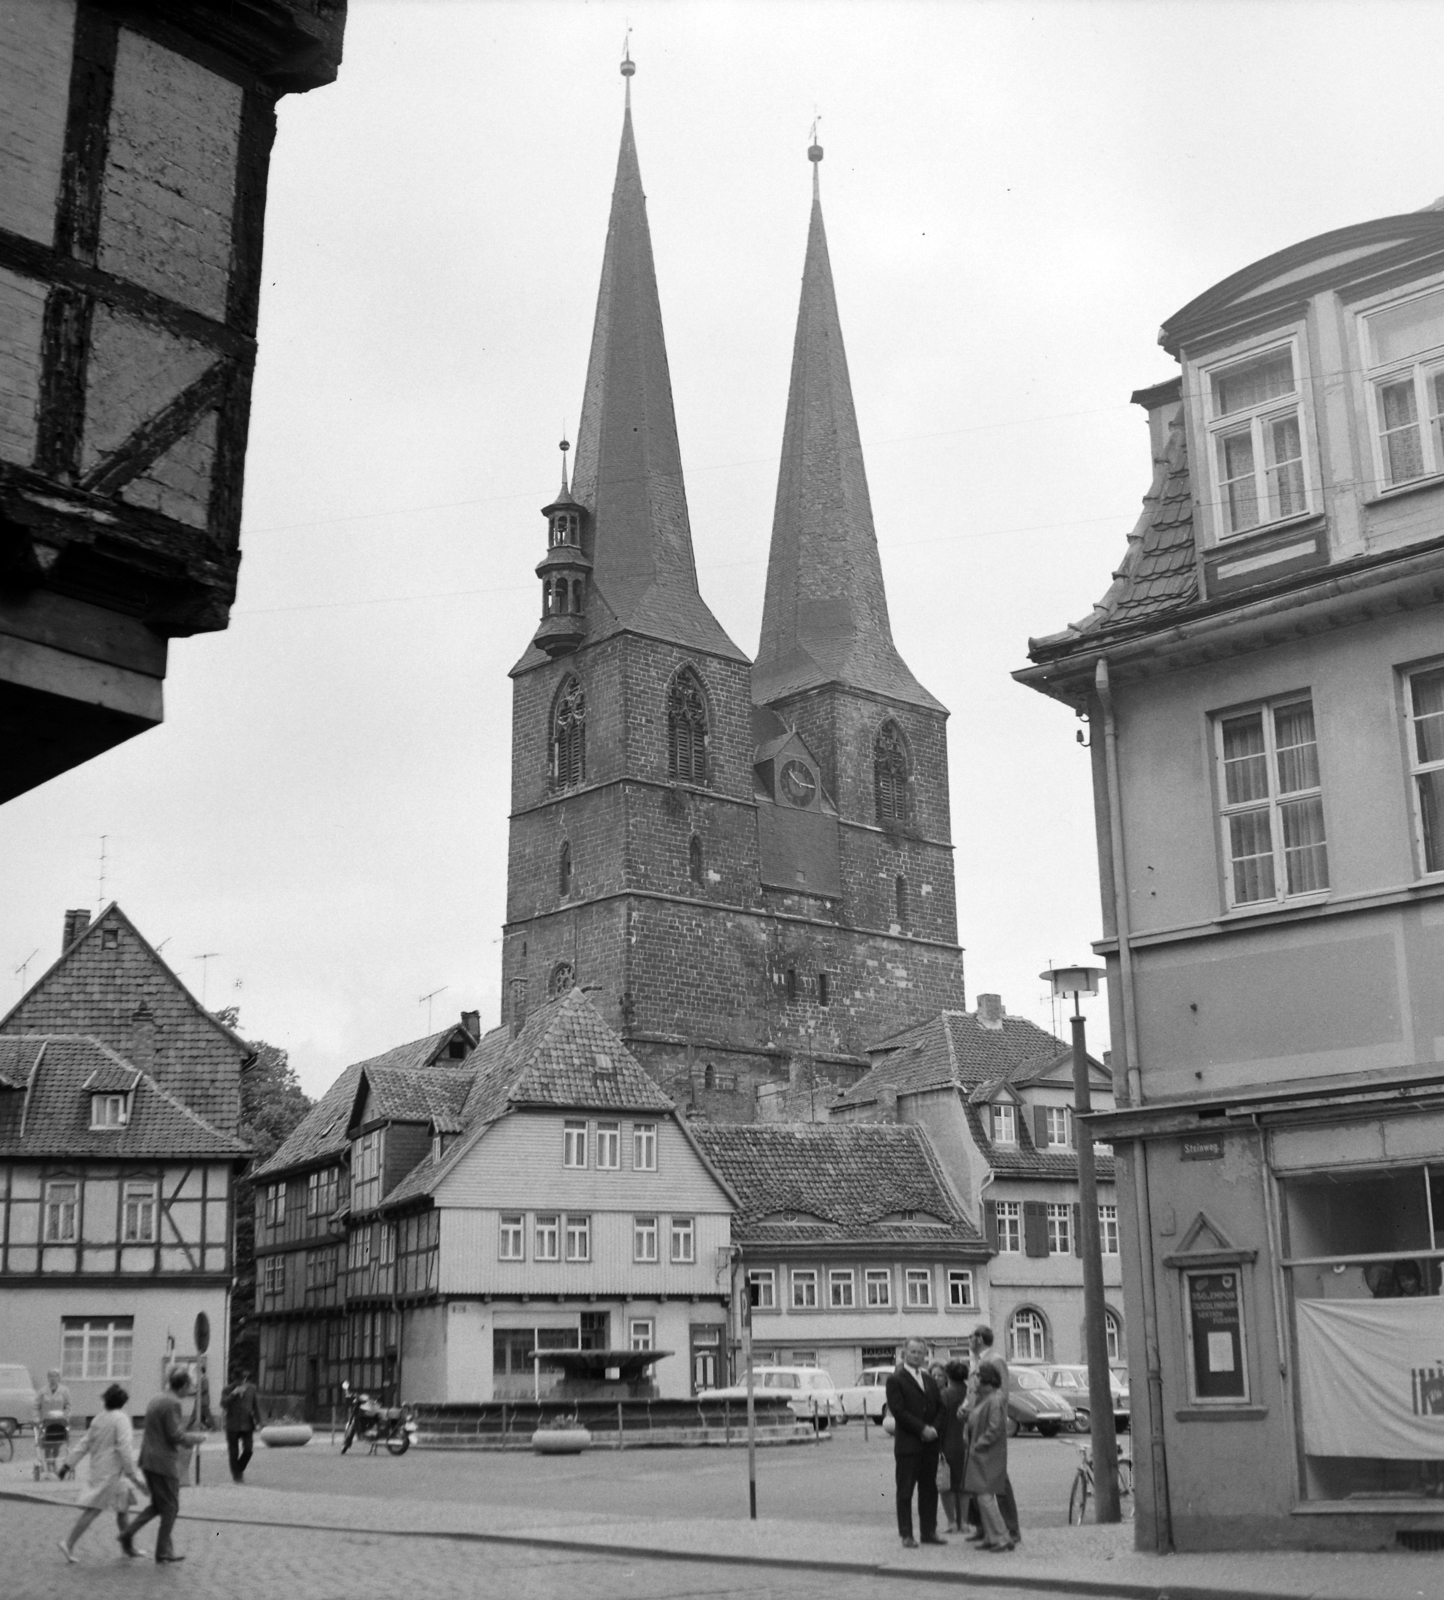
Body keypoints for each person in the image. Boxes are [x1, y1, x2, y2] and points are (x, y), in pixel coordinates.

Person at [121, 1368, 205, 1563]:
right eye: (189, 1386)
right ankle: (162, 1552)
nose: (189, 1390)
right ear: (183, 1385)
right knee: (171, 1508)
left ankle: (128, 1533)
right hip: (163, 1462)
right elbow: (174, 1435)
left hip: (148, 1459)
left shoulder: (157, 1398)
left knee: (159, 1505)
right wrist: (196, 1438)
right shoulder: (173, 1403)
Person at [57, 1384, 147, 1563]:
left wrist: (67, 1465)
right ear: (123, 1402)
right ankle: (68, 1542)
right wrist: (133, 1474)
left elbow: (84, 1443)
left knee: (122, 1508)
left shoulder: (98, 1418)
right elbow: (124, 1447)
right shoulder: (121, 1419)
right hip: (113, 1472)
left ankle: (127, 1547)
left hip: (101, 1469)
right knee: (94, 1509)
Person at [884, 1338, 947, 1548]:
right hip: (909, 1444)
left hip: (930, 1444)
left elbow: (940, 1407)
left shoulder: (929, 1379)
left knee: (929, 1490)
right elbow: (899, 1411)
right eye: (913, 1352)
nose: (917, 1356)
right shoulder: (896, 1380)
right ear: (904, 1355)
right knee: (905, 1491)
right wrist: (922, 1429)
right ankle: (907, 1534)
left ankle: (929, 1531)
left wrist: (934, 1429)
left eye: (921, 1352)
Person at [968, 1325, 1021, 1544]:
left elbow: (1001, 1392)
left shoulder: (995, 1360)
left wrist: (989, 1415)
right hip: (976, 1421)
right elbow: (972, 1391)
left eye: (971, 1337)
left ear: (979, 1338)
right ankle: (984, 1527)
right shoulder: (977, 1360)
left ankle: (1010, 1529)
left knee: (998, 1480)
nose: (969, 1341)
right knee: (977, 1478)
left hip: (988, 1423)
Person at [964, 1364, 1013, 1550]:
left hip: (988, 1454)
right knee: (981, 1496)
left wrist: (979, 1443)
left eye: (976, 1377)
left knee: (985, 1497)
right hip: (981, 1453)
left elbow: (995, 1427)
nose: (973, 1381)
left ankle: (1001, 1537)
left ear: (986, 1379)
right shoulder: (983, 1399)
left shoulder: (994, 1399)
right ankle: (991, 1537)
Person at [937, 1358, 971, 1534]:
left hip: (948, 1443)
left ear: (948, 1375)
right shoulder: (970, 1393)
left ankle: (951, 1522)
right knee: (964, 1485)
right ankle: (964, 1521)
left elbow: (940, 1421)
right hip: (967, 1444)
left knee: (946, 1485)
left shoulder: (944, 1394)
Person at [220, 1368, 263, 1483]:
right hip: (232, 1425)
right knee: (233, 1452)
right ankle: (237, 1476)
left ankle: (238, 1468)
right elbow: (223, 1404)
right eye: (240, 1379)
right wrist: (234, 1393)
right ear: (235, 1380)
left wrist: (259, 1422)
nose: (243, 1381)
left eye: (244, 1379)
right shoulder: (228, 1389)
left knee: (248, 1450)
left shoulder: (251, 1388)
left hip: (247, 1424)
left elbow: (256, 1406)